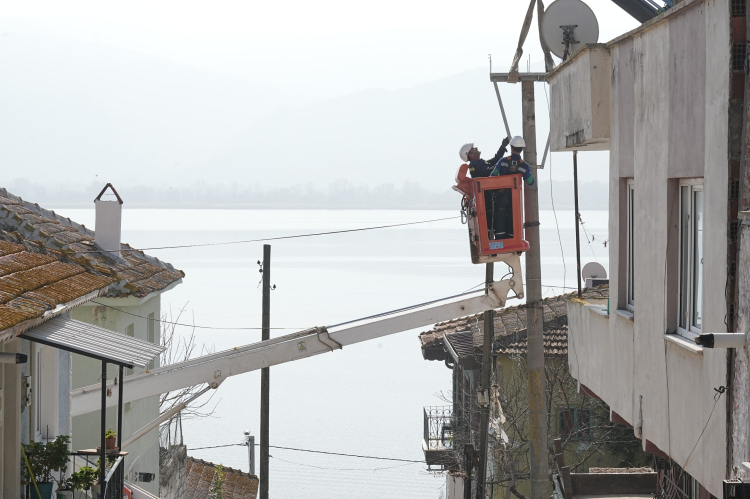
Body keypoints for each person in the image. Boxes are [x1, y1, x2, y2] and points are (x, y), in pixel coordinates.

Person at [486, 136, 535, 239]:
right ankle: (512, 242)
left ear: (511, 148)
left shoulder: (503, 161)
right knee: (513, 221)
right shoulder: (524, 166)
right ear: (522, 149)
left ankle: (501, 242)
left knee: (500, 220)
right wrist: (526, 172)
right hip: (515, 201)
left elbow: (492, 176)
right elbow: (531, 182)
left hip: (501, 198)